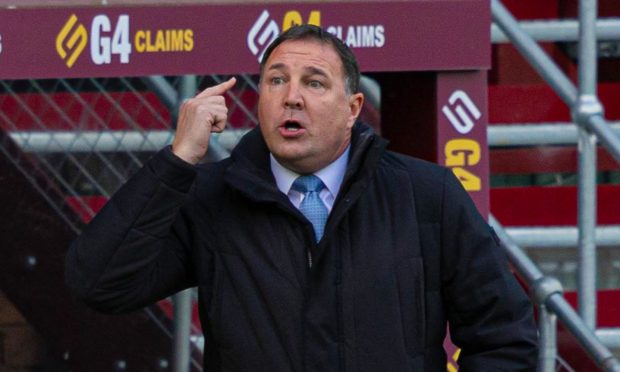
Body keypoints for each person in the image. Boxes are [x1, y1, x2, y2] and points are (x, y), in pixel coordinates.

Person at [66, 25, 538, 371]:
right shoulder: (211, 197)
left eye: (314, 82)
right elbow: (99, 283)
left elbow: (503, 337)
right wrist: (178, 160)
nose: (291, 97)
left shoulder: (426, 194)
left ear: (352, 108)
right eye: (276, 81)